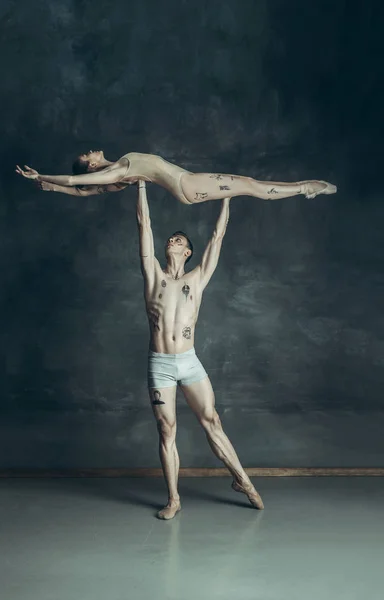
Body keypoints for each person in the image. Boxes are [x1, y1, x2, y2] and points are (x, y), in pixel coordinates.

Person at [136, 180, 264, 519]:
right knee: (166, 429)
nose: (172, 240)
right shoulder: (152, 276)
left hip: (189, 362)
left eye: (179, 240)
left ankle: (243, 481)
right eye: (170, 239)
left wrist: (227, 197)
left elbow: (217, 238)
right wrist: (141, 185)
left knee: (212, 420)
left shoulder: (197, 278)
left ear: (187, 251)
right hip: (160, 364)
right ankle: (174, 500)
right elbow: (144, 226)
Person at [16, 150, 337, 202]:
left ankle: (304, 188)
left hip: (188, 189)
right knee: (251, 186)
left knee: (250, 187)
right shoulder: (117, 170)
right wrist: (42, 176)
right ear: (90, 167)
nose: (89, 151)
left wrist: (51, 187)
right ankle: (306, 188)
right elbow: (77, 184)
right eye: (86, 156)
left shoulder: (119, 176)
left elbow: (86, 193)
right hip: (189, 184)